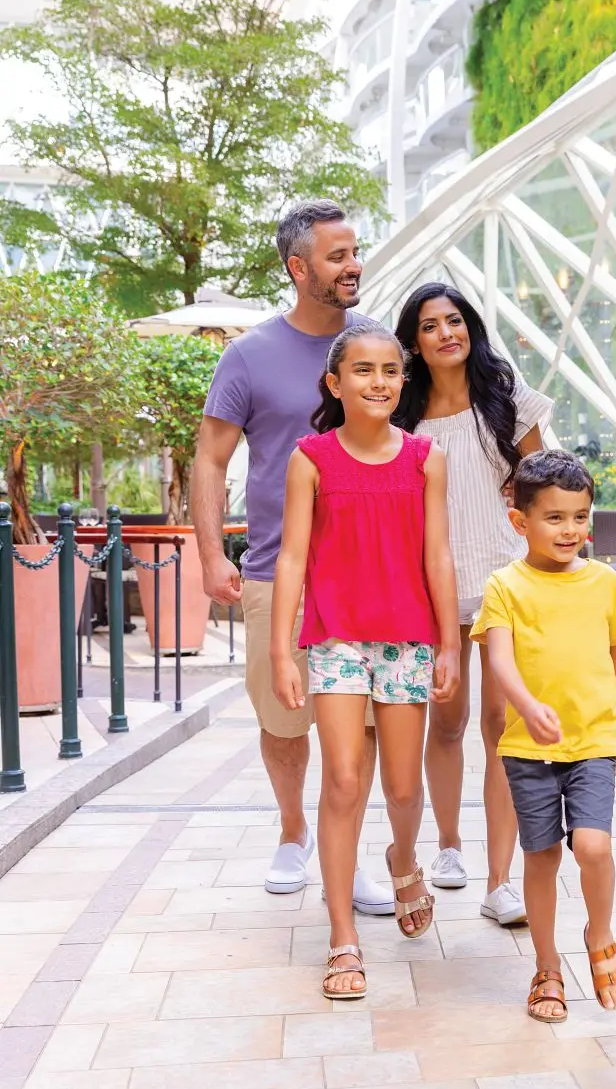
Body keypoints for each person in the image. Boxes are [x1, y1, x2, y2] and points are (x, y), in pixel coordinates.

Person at [191, 199, 391, 911]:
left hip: (365, 573)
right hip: (277, 569)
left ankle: (352, 850)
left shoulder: (374, 344)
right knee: (283, 720)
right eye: (337, 256)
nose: (353, 266)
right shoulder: (248, 355)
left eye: (355, 252)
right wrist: (212, 554)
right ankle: (291, 829)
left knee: (362, 724)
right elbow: (210, 459)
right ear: (298, 267)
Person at [270, 324, 460, 998]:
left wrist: (449, 642)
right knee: (345, 780)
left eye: (389, 370)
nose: (377, 381)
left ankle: (403, 859)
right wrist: (280, 649)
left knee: (404, 788)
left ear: (402, 382)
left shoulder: (425, 459)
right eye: (362, 370)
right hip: (336, 638)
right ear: (335, 383)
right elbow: (291, 556)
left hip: (407, 638)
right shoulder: (310, 458)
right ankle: (342, 936)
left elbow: (438, 555)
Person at [394, 283, 552, 927]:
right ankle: (449, 849)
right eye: (430, 326)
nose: (445, 333)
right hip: (431, 587)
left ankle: (500, 880)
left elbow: (545, 487)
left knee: (501, 728)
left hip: (505, 586)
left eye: (454, 321)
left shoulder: (506, 403)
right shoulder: (401, 416)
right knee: (448, 722)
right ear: (415, 342)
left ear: (470, 328)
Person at [471, 451, 616, 1024]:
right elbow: (499, 659)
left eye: (579, 516)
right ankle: (547, 966)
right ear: (520, 522)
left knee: (593, 846)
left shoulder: (603, 583)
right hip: (528, 748)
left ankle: (599, 932)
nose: (570, 530)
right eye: (554, 518)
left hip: (593, 741)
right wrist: (527, 706)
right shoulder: (505, 586)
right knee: (541, 855)